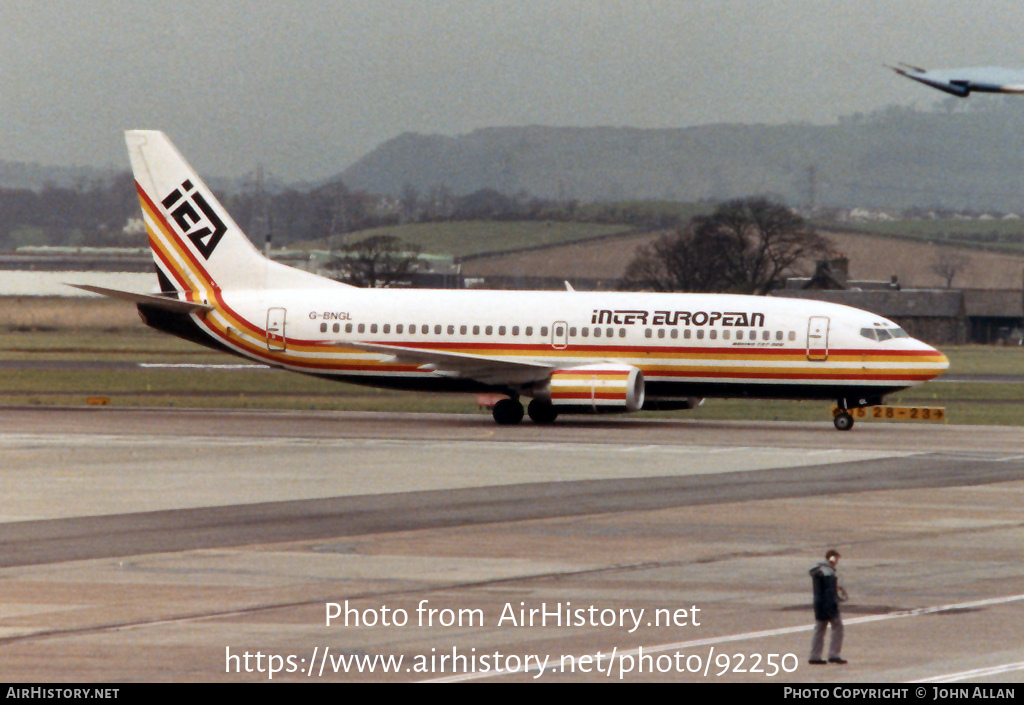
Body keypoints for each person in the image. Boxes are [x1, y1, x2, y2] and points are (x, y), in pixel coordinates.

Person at [808, 549, 847, 665]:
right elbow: (829, 592)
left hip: (819, 604)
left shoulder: (818, 570)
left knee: (819, 629)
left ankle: (814, 656)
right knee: (837, 628)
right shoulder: (828, 573)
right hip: (828, 604)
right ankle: (834, 654)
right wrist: (832, 607)